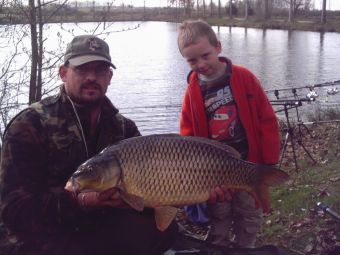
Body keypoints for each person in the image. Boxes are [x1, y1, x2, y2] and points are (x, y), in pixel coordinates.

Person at [0, 35, 178, 255]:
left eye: (100, 70)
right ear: (64, 73)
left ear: (110, 77)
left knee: (165, 230)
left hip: (97, 227)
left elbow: (154, 190)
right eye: (82, 69)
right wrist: (79, 202)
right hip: (45, 233)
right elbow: (13, 210)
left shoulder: (124, 129)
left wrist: (194, 190)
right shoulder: (29, 125)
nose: (92, 77)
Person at [177, 20, 280, 248]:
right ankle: (219, 247)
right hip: (212, 172)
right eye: (192, 60)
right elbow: (187, 136)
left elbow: (267, 120)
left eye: (205, 55)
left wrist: (269, 160)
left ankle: (246, 248)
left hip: (249, 163)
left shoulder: (244, 77)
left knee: (249, 214)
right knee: (219, 214)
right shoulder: (192, 90)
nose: (201, 64)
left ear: (218, 47)